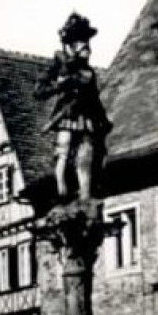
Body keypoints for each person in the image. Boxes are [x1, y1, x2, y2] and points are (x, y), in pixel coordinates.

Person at [35, 13, 112, 201]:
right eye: (80, 40)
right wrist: (62, 84)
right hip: (66, 113)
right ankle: (61, 190)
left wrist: (103, 120)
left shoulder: (88, 72)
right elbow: (39, 91)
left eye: (86, 40)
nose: (86, 45)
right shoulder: (59, 64)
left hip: (86, 115)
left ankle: (85, 194)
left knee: (86, 153)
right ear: (70, 45)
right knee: (63, 150)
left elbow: (94, 99)